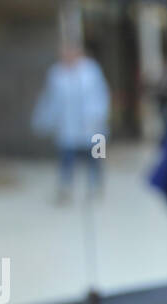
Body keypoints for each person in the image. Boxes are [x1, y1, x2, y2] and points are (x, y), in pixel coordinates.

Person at [32, 43, 111, 203]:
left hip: (95, 126)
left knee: (97, 156)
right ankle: (65, 188)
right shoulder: (56, 73)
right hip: (67, 127)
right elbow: (50, 99)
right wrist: (45, 121)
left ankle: (96, 186)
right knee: (66, 158)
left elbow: (102, 94)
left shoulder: (91, 71)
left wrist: (99, 114)